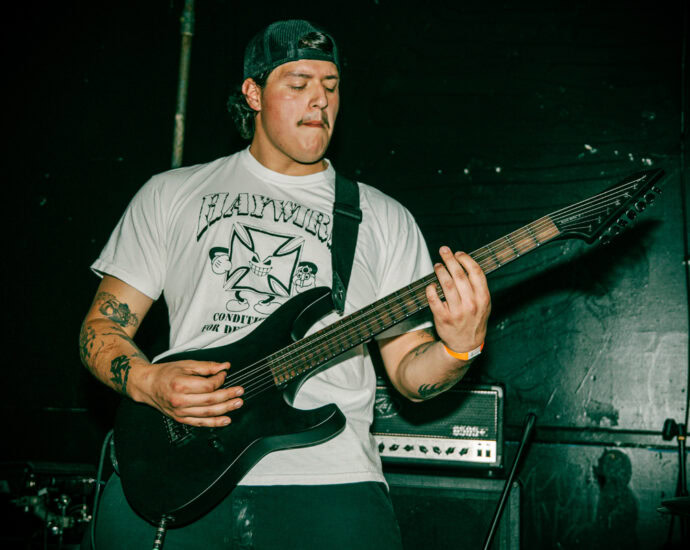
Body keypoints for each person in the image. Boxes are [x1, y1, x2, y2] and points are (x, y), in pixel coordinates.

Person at [79, 19, 491, 550]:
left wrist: (460, 347)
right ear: (253, 93)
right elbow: (101, 329)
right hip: (181, 470)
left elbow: (411, 374)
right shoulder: (171, 193)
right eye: (299, 84)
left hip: (331, 483)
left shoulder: (382, 217)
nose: (320, 100)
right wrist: (149, 382)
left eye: (331, 86)